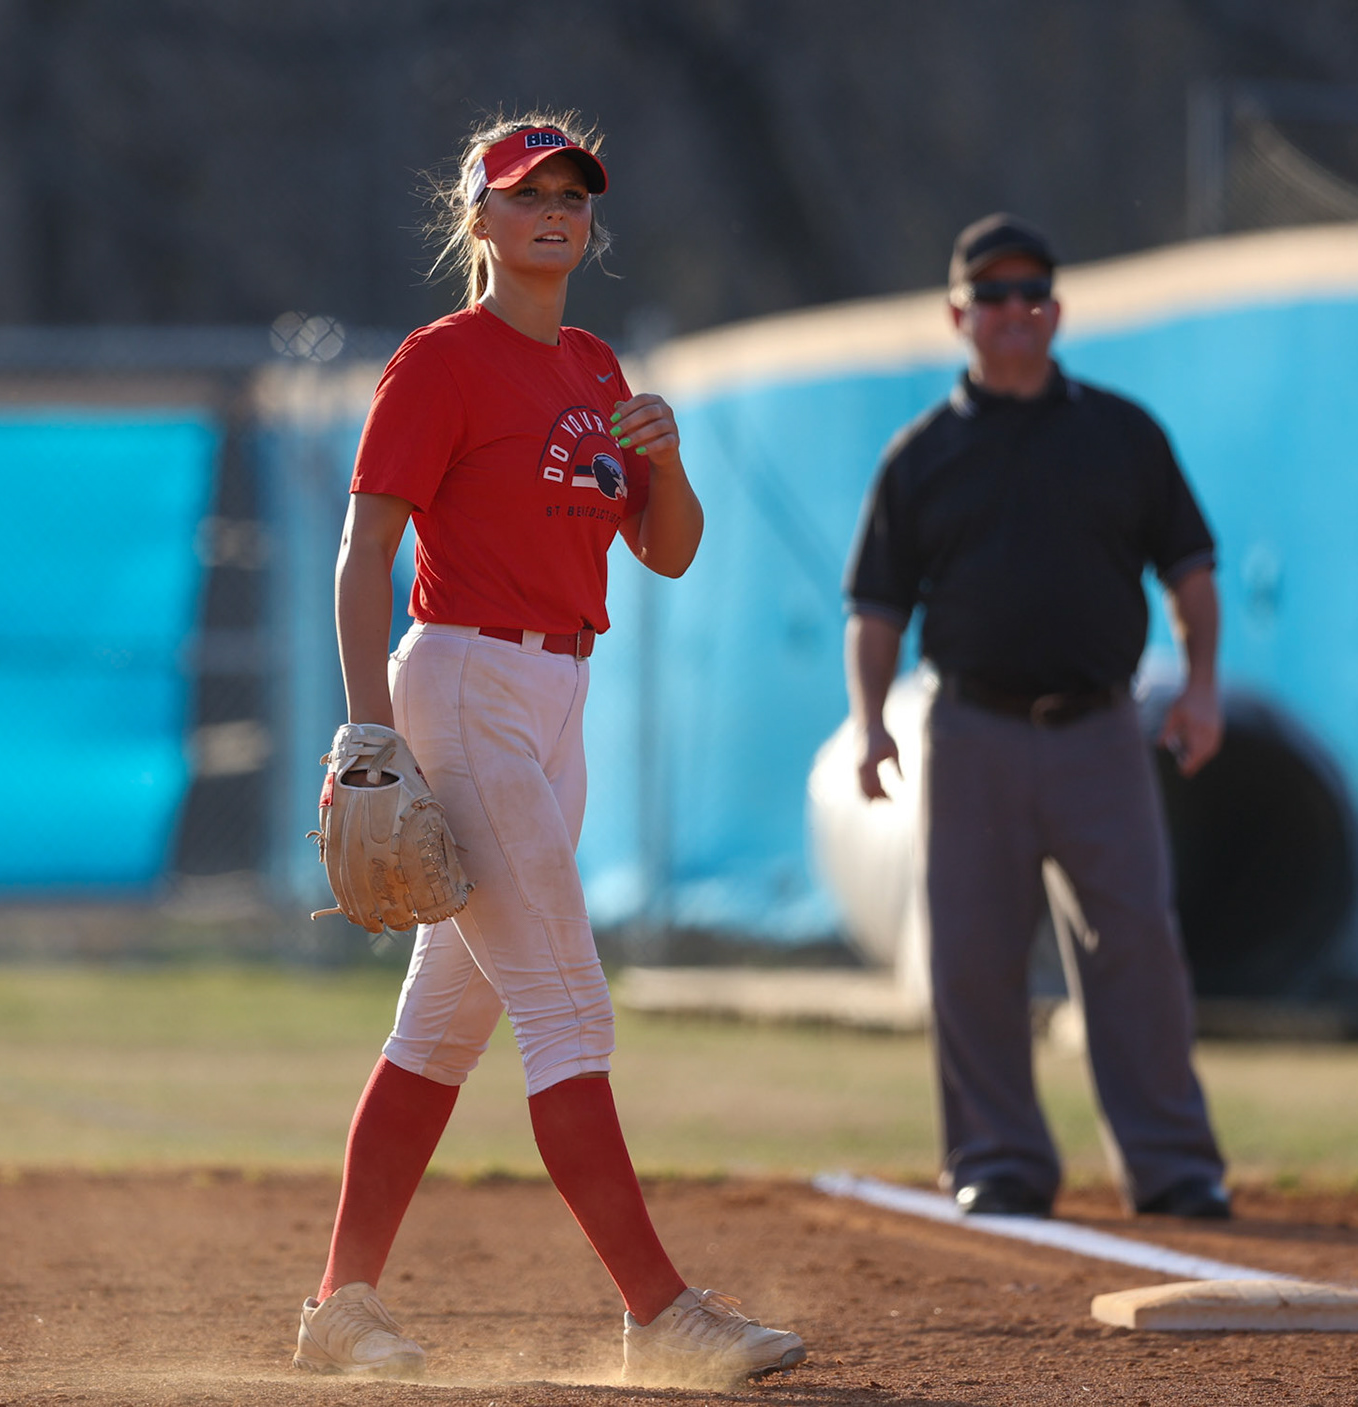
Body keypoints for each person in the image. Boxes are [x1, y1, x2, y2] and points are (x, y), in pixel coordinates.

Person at [292, 115, 807, 1386]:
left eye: (573, 193)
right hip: (463, 679)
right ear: (479, 221)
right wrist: (367, 727)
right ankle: (659, 1316)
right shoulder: (443, 361)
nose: (557, 211)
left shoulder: (592, 365)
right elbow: (366, 551)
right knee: (568, 1005)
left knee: (442, 1027)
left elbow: (669, 547)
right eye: (529, 195)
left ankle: (339, 1312)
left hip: (557, 693)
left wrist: (666, 458)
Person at [843, 213, 1231, 1222]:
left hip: (1102, 729)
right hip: (971, 732)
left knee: (1137, 943)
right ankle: (999, 1158)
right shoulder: (921, 455)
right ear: (958, 314)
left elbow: (1191, 568)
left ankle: (1174, 1165)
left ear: (1055, 311)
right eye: (995, 297)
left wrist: (1200, 688)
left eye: (1033, 296)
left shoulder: (1121, 432)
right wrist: (872, 722)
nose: (1016, 314)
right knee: (972, 952)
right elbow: (877, 606)